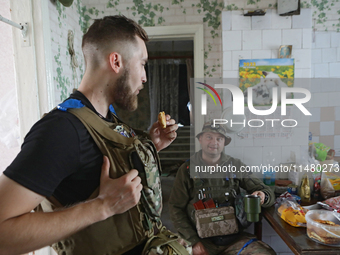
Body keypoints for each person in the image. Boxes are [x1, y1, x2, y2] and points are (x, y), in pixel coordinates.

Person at [0, 15, 179, 255]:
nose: (145, 76)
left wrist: (152, 146)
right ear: (116, 62)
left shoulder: (106, 116)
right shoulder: (62, 130)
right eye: (142, 63)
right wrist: (101, 206)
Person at [169, 121, 276, 255]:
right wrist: (193, 241)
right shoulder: (187, 170)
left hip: (234, 241)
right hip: (199, 239)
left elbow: (267, 192)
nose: (214, 142)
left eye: (219, 138)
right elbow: (175, 208)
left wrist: (262, 196)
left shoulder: (235, 165)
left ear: (224, 142)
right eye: (209, 137)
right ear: (200, 139)